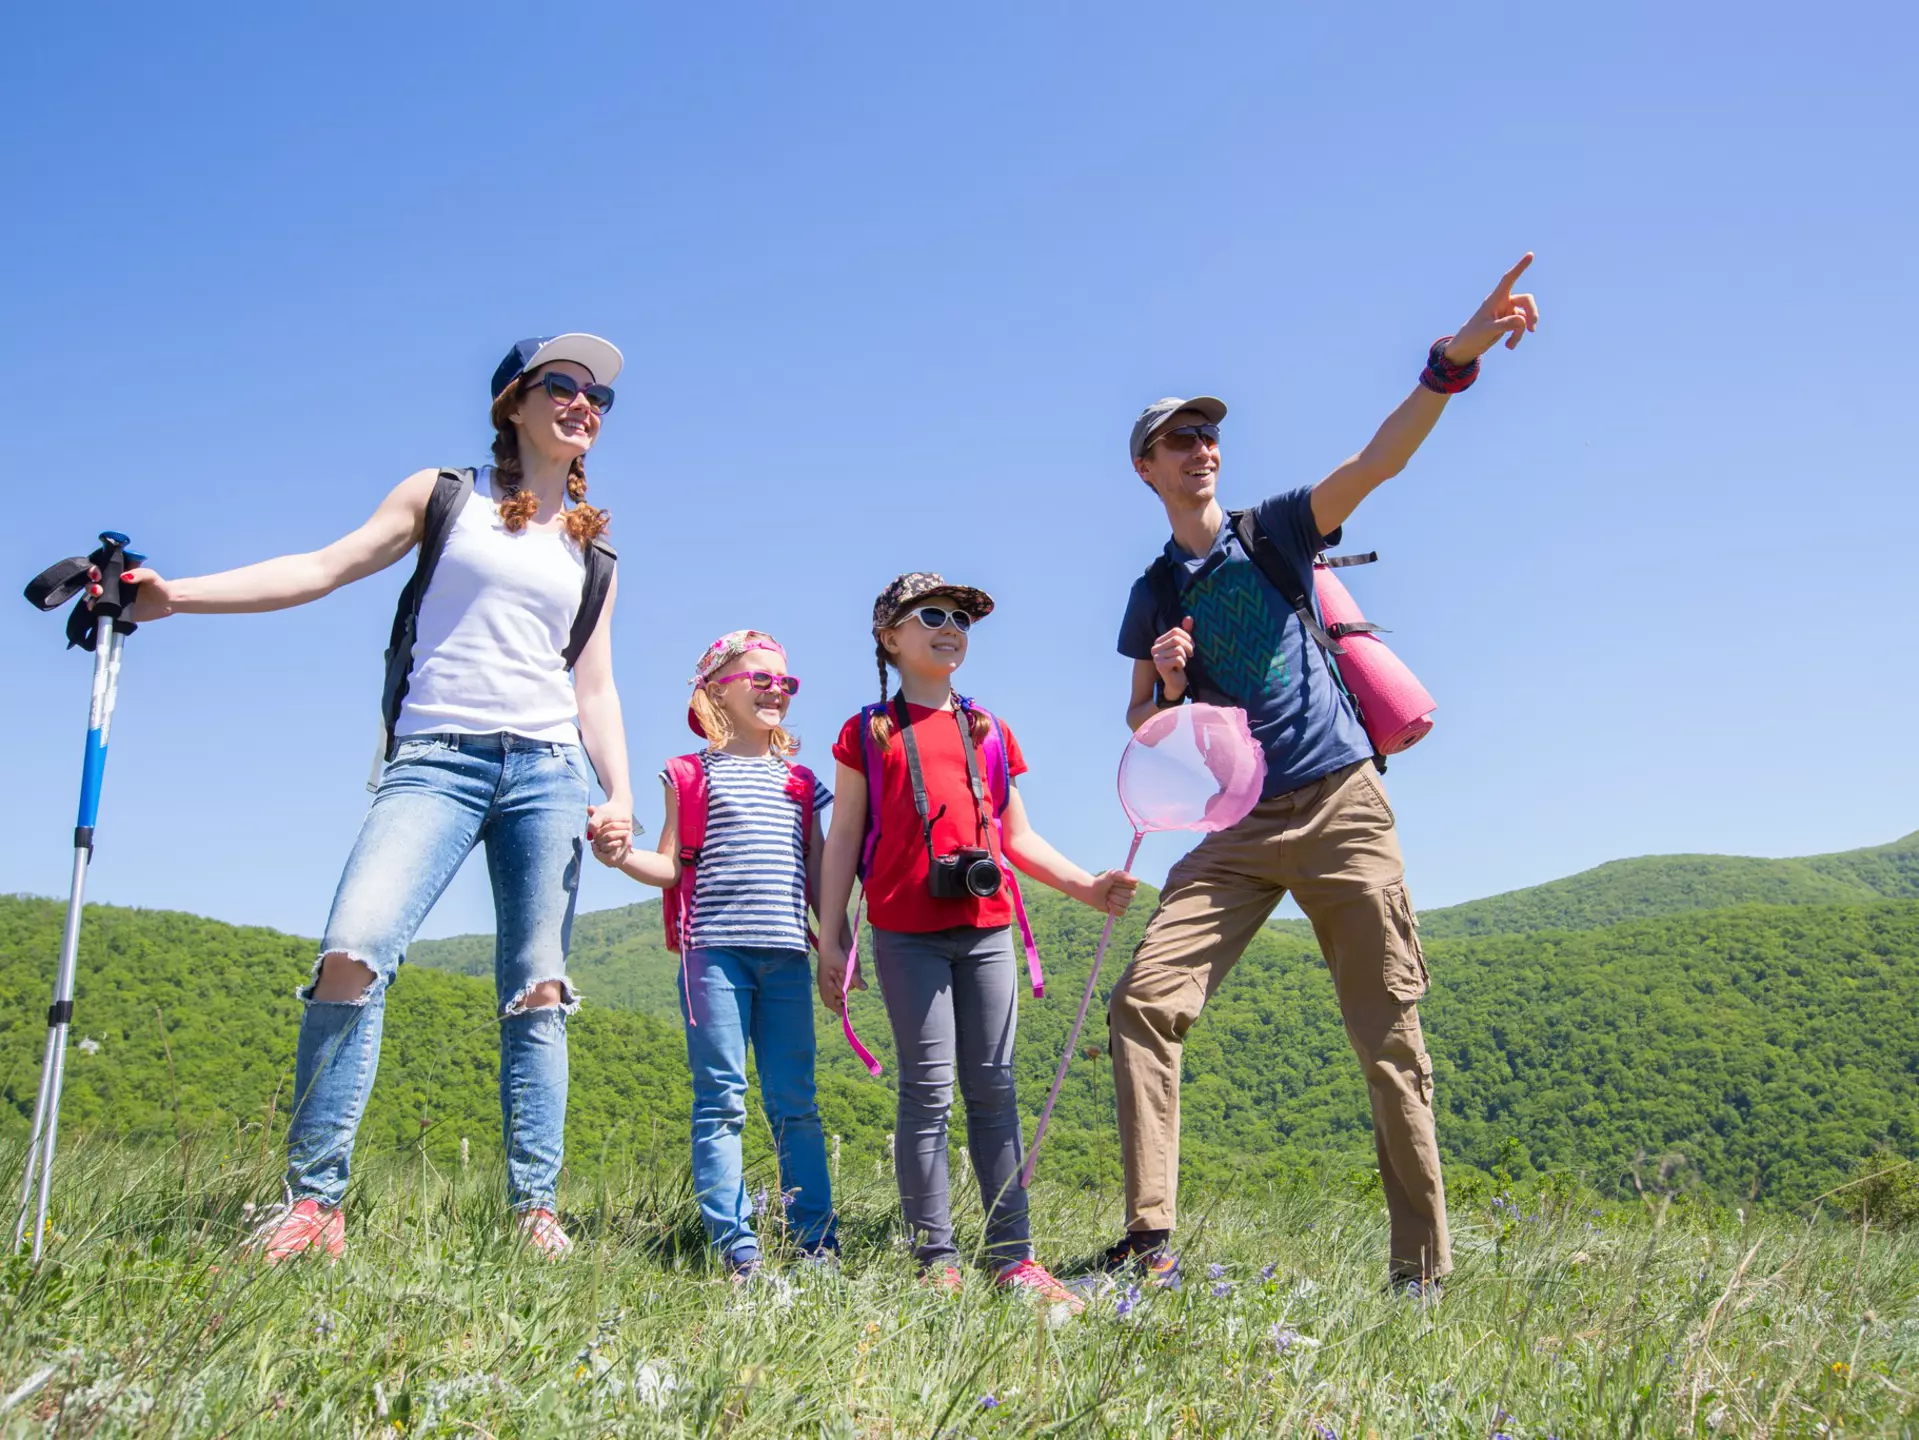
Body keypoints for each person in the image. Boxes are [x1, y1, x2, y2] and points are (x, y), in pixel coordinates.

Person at [109, 334, 635, 1262]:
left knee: (537, 990)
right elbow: (322, 567)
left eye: (598, 396)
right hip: (435, 758)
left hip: (551, 772)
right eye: (562, 384)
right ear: (512, 403)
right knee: (353, 948)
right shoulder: (444, 495)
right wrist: (173, 596)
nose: (583, 402)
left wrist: (621, 793)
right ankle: (314, 1208)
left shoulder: (594, 553)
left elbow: (593, 685)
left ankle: (534, 1214)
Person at [1105, 258, 1542, 1295]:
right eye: (1178, 440)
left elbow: (1379, 460)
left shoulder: (1276, 531)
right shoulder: (1150, 590)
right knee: (1142, 1002)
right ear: (1145, 470)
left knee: (1386, 1034)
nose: (1200, 449)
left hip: (1343, 801)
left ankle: (1420, 1274)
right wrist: (1164, 685)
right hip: (1241, 827)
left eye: (1208, 435)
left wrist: (1451, 362)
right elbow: (1138, 722)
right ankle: (1148, 1240)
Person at [815, 573, 1139, 1307]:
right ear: (888, 637)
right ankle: (936, 1258)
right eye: (930, 614)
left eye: (961, 617)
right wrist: (832, 935)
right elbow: (842, 841)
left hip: (987, 929)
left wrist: (1085, 888)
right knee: (926, 1092)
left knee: (994, 1088)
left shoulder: (987, 728)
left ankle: (1013, 1258)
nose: (950, 626)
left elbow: (1016, 836)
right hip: (904, 930)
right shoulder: (868, 732)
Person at [588, 630, 839, 1280]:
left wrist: (837, 941)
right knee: (721, 1098)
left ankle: (815, 1245)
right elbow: (670, 865)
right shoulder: (688, 775)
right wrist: (619, 857)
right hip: (713, 957)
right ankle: (738, 1249)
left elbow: (818, 871)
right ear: (715, 690)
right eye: (759, 678)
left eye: (785, 681)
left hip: (786, 956)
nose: (775, 689)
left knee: (796, 1102)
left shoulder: (801, 782)